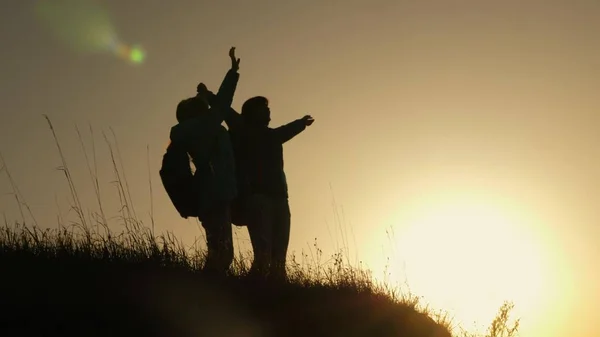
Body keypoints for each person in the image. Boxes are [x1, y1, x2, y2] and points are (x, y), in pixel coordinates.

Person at [169, 47, 241, 275]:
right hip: (214, 191)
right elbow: (220, 105)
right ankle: (210, 286)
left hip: (213, 191)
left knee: (219, 249)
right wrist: (232, 72)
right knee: (222, 252)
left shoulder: (194, 129)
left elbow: (215, 108)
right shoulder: (204, 126)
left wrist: (202, 94)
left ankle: (211, 285)